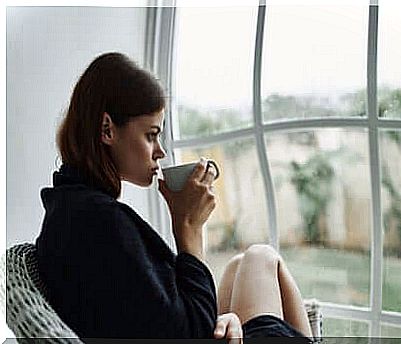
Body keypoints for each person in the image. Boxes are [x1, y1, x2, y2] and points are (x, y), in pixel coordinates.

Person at [35, 52, 313, 341]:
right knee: (262, 257)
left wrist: (227, 319)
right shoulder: (98, 222)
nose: (161, 151)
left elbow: (157, 313)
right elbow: (188, 333)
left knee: (238, 265)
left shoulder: (71, 209)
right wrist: (188, 227)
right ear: (107, 129)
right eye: (151, 135)